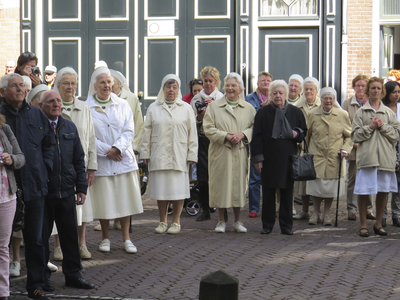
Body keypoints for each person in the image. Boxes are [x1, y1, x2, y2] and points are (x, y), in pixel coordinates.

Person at [0, 73, 55, 300]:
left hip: (34, 185)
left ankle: (35, 284)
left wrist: (46, 167)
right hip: (7, 190)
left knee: (36, 238)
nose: (21, 89)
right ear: (3, 92)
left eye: (23, 86)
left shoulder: (37, 114)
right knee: (3, 241)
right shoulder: (0, 117)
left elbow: (49, 144)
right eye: (14, 86)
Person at [39, 90, 94, 291]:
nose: (56, 104)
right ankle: (42, 278)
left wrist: (81, 187)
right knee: (41, 238)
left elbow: (79, 159)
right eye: (51, 101)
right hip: (44, 193)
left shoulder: (69, 126)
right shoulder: (37, 128)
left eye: (58, 101)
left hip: (66, 192)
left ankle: (73, 275)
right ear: (41, 105)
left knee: (70, 236)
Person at [87, 67, 143, 251]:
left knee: (124, 199)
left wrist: (117, 148)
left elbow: (129, 129)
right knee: (105, 200)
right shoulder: (87, 107)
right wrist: (107, 150)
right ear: (95, 85)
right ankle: (105, 238)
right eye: (102, 82)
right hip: (102, 161)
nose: (106, 85)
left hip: (122, 159)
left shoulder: (123, 104)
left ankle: (127, 238)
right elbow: (88, 135)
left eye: (109, 82)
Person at [141, 74, 197, 234]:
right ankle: (162, 221)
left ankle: (176, 222)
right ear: (163, 88)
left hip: (179, 153)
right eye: (168, 87)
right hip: (159, 153)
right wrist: (145, 152)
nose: (171, 90)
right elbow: (147, 132)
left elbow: (192, 133)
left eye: (174, 87)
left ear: (178, 89)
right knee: (162, 188)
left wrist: (192, 154)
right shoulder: (154, 108)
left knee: (178, 189)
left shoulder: (186, 108)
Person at [251, 80, 307, 235]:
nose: (278, 96)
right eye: (274, 93)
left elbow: (304, 131)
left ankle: (286, 226)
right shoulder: (262, 113)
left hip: (288, 158)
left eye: (280, 93)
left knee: (287, 193)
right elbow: (256, 137)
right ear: (270, 94)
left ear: (286, 94)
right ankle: (267, 225)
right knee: (268, 193)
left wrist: (297, 134)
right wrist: (257, 159)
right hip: (268, 158)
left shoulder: (296, 112)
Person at [53, 67, 97, 259]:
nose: (70, 87)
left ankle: (81, 243)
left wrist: (92, 166)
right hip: (59, 166)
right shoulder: (53, 106)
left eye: (73, 83)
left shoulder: (84, 108)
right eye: (66, 83)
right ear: (58, 85)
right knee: (59, 206)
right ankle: (59, 246)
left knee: (82, 206)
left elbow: (91, 137)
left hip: (80, 166)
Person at [203, 72, 255, 233]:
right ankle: (220, 220)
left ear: (240, 88)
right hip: (221, 152)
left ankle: (237, 221)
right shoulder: (214, 106)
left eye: (234, 85)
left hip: (239, 152)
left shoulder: (249, 108)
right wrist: (225, 136)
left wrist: (243, 134)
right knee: (221, 184)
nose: (230, 88)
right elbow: (208, 128)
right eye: (228, 85)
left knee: (238, 185)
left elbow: (254, 128)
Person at [351, 77, 400, 237]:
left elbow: (396, 135)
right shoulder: (361, 112)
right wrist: (370, 127)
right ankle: (363, 224)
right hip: (367, 158)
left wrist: (383, 126)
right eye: (373, 88)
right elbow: (355, 136)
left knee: (383, 192)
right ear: (368, 91)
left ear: (382, 91)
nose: (376, 91)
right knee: (364, 192)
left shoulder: (389, 113)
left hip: (385, 158)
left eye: (379, 88)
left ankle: (378, 224)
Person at [306, 88, 353, 225]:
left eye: (331, 98)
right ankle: (315, 213)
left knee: (330, 188)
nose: (328, 101)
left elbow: (350, 136)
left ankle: (327, 214)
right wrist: (309, 152)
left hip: (334, 156)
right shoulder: (312, 114)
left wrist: (345, 148)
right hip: (317, 156)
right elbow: (307, 135)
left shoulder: (342, 114)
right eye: (325, 98)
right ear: (320, 99)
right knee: (316, 186)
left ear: (334, 100)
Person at [190, 66, 224, 222]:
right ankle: (205, 209)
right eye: (205, 81)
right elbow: (191, 123)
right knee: (203, 177)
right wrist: (199, 116)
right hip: (202, 140)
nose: (208, 84)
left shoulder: (222, 98)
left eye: (211, 81)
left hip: (218, 141)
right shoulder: (196, 100)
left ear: (216, 82)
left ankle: (221, 207)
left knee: (218, 176)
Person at [342, 74, 375, 221]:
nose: (360, 88)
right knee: (353, 178)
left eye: (363, 86)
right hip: (354, 147)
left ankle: (368, 209)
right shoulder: (347, 103)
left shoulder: (372, 103)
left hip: (369, 147)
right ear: (353, 87)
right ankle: (352, 208)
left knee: (369, 178)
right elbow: (344, 125)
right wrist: (352, 140)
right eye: (358, 85)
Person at [0, 113, 25, 300]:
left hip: (6, 197)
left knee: (2, 247)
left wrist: (11, 160)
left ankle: (3, 292)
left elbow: (20, 157)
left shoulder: (4, 128)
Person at [245, 71, 273, 218]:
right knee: (255, 176)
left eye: (268, 80)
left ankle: (270, 208)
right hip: (255, 140)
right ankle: (253, 208)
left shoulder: (276, 98)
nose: (266, 83)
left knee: (271, 176)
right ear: (257, 83)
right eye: (263, 80)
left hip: (271, 142)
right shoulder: (249, 98)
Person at [293, 77, 321, 220]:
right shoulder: (298, 106)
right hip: (302, 146)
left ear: (317, 91)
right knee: (303, 180)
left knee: (317, 180)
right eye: (307, 89)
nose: (309, 91)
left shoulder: (323, 104)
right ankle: (304, 210)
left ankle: (318, 212)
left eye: (312, 89)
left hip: (318, 147)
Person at [382, 81, 400, 227]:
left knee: (398, 184)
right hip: (386, 147)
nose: (397, 95)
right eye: (394, 92)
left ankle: (397, 215)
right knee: (384, 183)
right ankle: (382, 215)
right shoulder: (382, 109)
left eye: (399, 92)